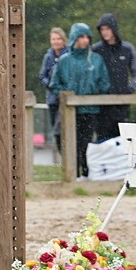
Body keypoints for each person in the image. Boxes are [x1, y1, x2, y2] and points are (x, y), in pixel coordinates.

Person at [50, 22, 111, 178]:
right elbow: (54, 84)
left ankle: (85, 174)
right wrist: (68, 94)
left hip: (90, 110)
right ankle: (72, 175)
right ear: (74, 38)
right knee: (68, 143)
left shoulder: (96, 60)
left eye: (87, 37)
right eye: (81, 36)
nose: (85, 40)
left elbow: (105, 84)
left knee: (86, 145)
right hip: (70, 111)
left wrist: (92, 92)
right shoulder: (64, 61)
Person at [92, 13, 136, 140]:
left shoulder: (127, 48)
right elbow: (91, 74)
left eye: (107, 28)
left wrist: (130, 88)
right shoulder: (96, 50)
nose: (105, 32)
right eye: (102, 29)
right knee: (103, 141)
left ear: (114, 29)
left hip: (122, 104)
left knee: (123, 142)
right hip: (102, 104)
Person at [38, 27, 69, 154]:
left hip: (65, 96)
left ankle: (69, 155)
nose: (56, 41)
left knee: (63, 127)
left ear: (63, 40)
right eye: (53, 39)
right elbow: (42, 76)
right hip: (52, 99)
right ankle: (63, 156)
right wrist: (50, 85)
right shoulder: (48, 57)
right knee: (56, 130)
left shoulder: (68, 55)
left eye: (58, 39)